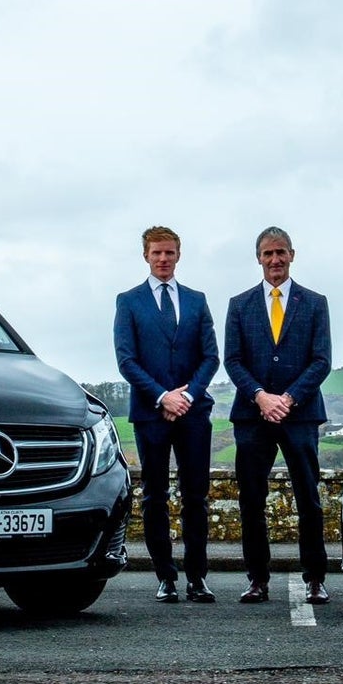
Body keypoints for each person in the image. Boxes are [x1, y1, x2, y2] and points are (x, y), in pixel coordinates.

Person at [223, 226, 332, 605]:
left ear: (292, 255)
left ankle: (316, 579)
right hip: (252, 418)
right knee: (251, 500)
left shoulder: (315, 303)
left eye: (281, 252)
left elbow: (322, 361)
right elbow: (232, 361)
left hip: (299, 416)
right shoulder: (239, 305)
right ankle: (257, 580)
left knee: (309, 499)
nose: (275, 260)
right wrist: (260, 397)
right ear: (258, 258)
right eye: (268, 254)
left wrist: (287, 399)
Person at [114, 225, 221, 603]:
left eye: (170, 253)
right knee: (155, 497)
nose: (163, 259)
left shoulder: (196, 300)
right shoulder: (128, 301)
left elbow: (211, 356)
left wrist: (187, 395)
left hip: (192, 413)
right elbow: (127, 360)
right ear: (146, 255)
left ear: (179, 255)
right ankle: (166, 577)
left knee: (196, 496)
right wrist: (162, 396)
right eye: (157, 253)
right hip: (150, 413)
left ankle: (197, 577)